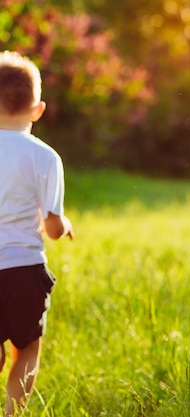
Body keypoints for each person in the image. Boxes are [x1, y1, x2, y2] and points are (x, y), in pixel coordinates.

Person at [0, 50, 74, 416]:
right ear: (38, 109)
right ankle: (13, 413)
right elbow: (53, 228)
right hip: (24, 268)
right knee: (27, 346)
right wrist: (66, 225)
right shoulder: (46, 157)